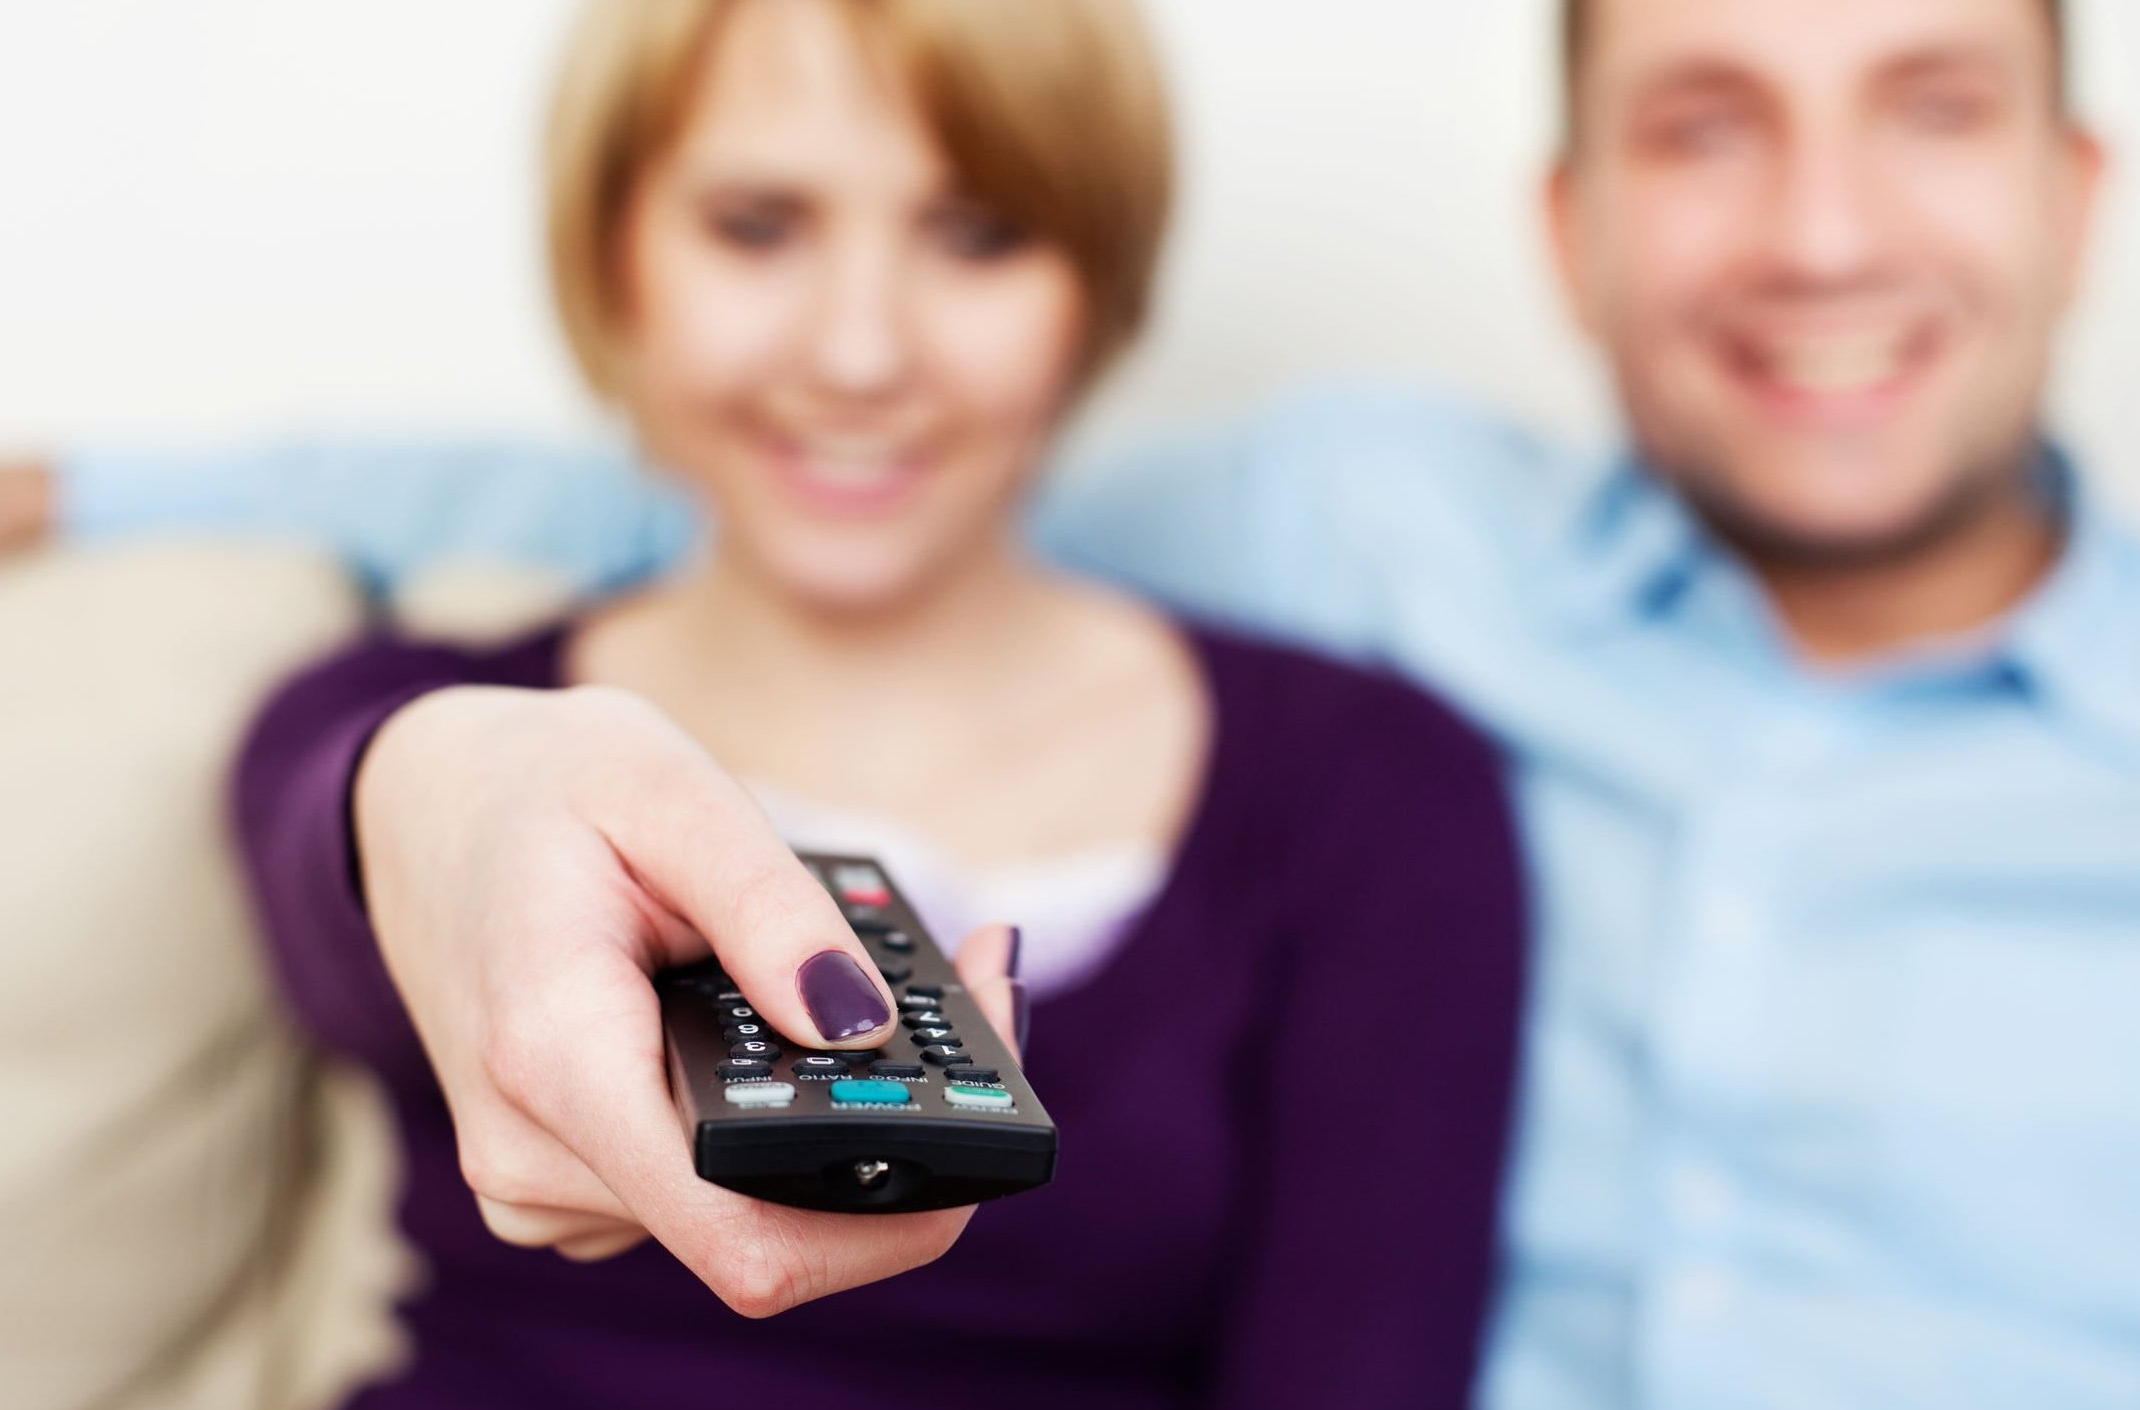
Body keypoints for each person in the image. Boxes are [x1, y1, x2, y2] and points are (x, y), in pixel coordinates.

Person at [0, 0, 2140, 1405]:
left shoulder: (1351, 764)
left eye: (1931, 107)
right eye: (1703, 122)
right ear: (1564, 230)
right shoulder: (1392, 542)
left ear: (2084, 194)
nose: (1823, 233)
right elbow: (695, 538)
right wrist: (84, 501)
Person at [234, 0, 1523, 1404]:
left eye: (978, 234)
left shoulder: (1373, 790)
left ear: (1094, 279)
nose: (860, 353)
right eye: (758, 225)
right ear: (618, 260)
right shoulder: (406, 708)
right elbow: (323, 836)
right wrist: (433, 793)